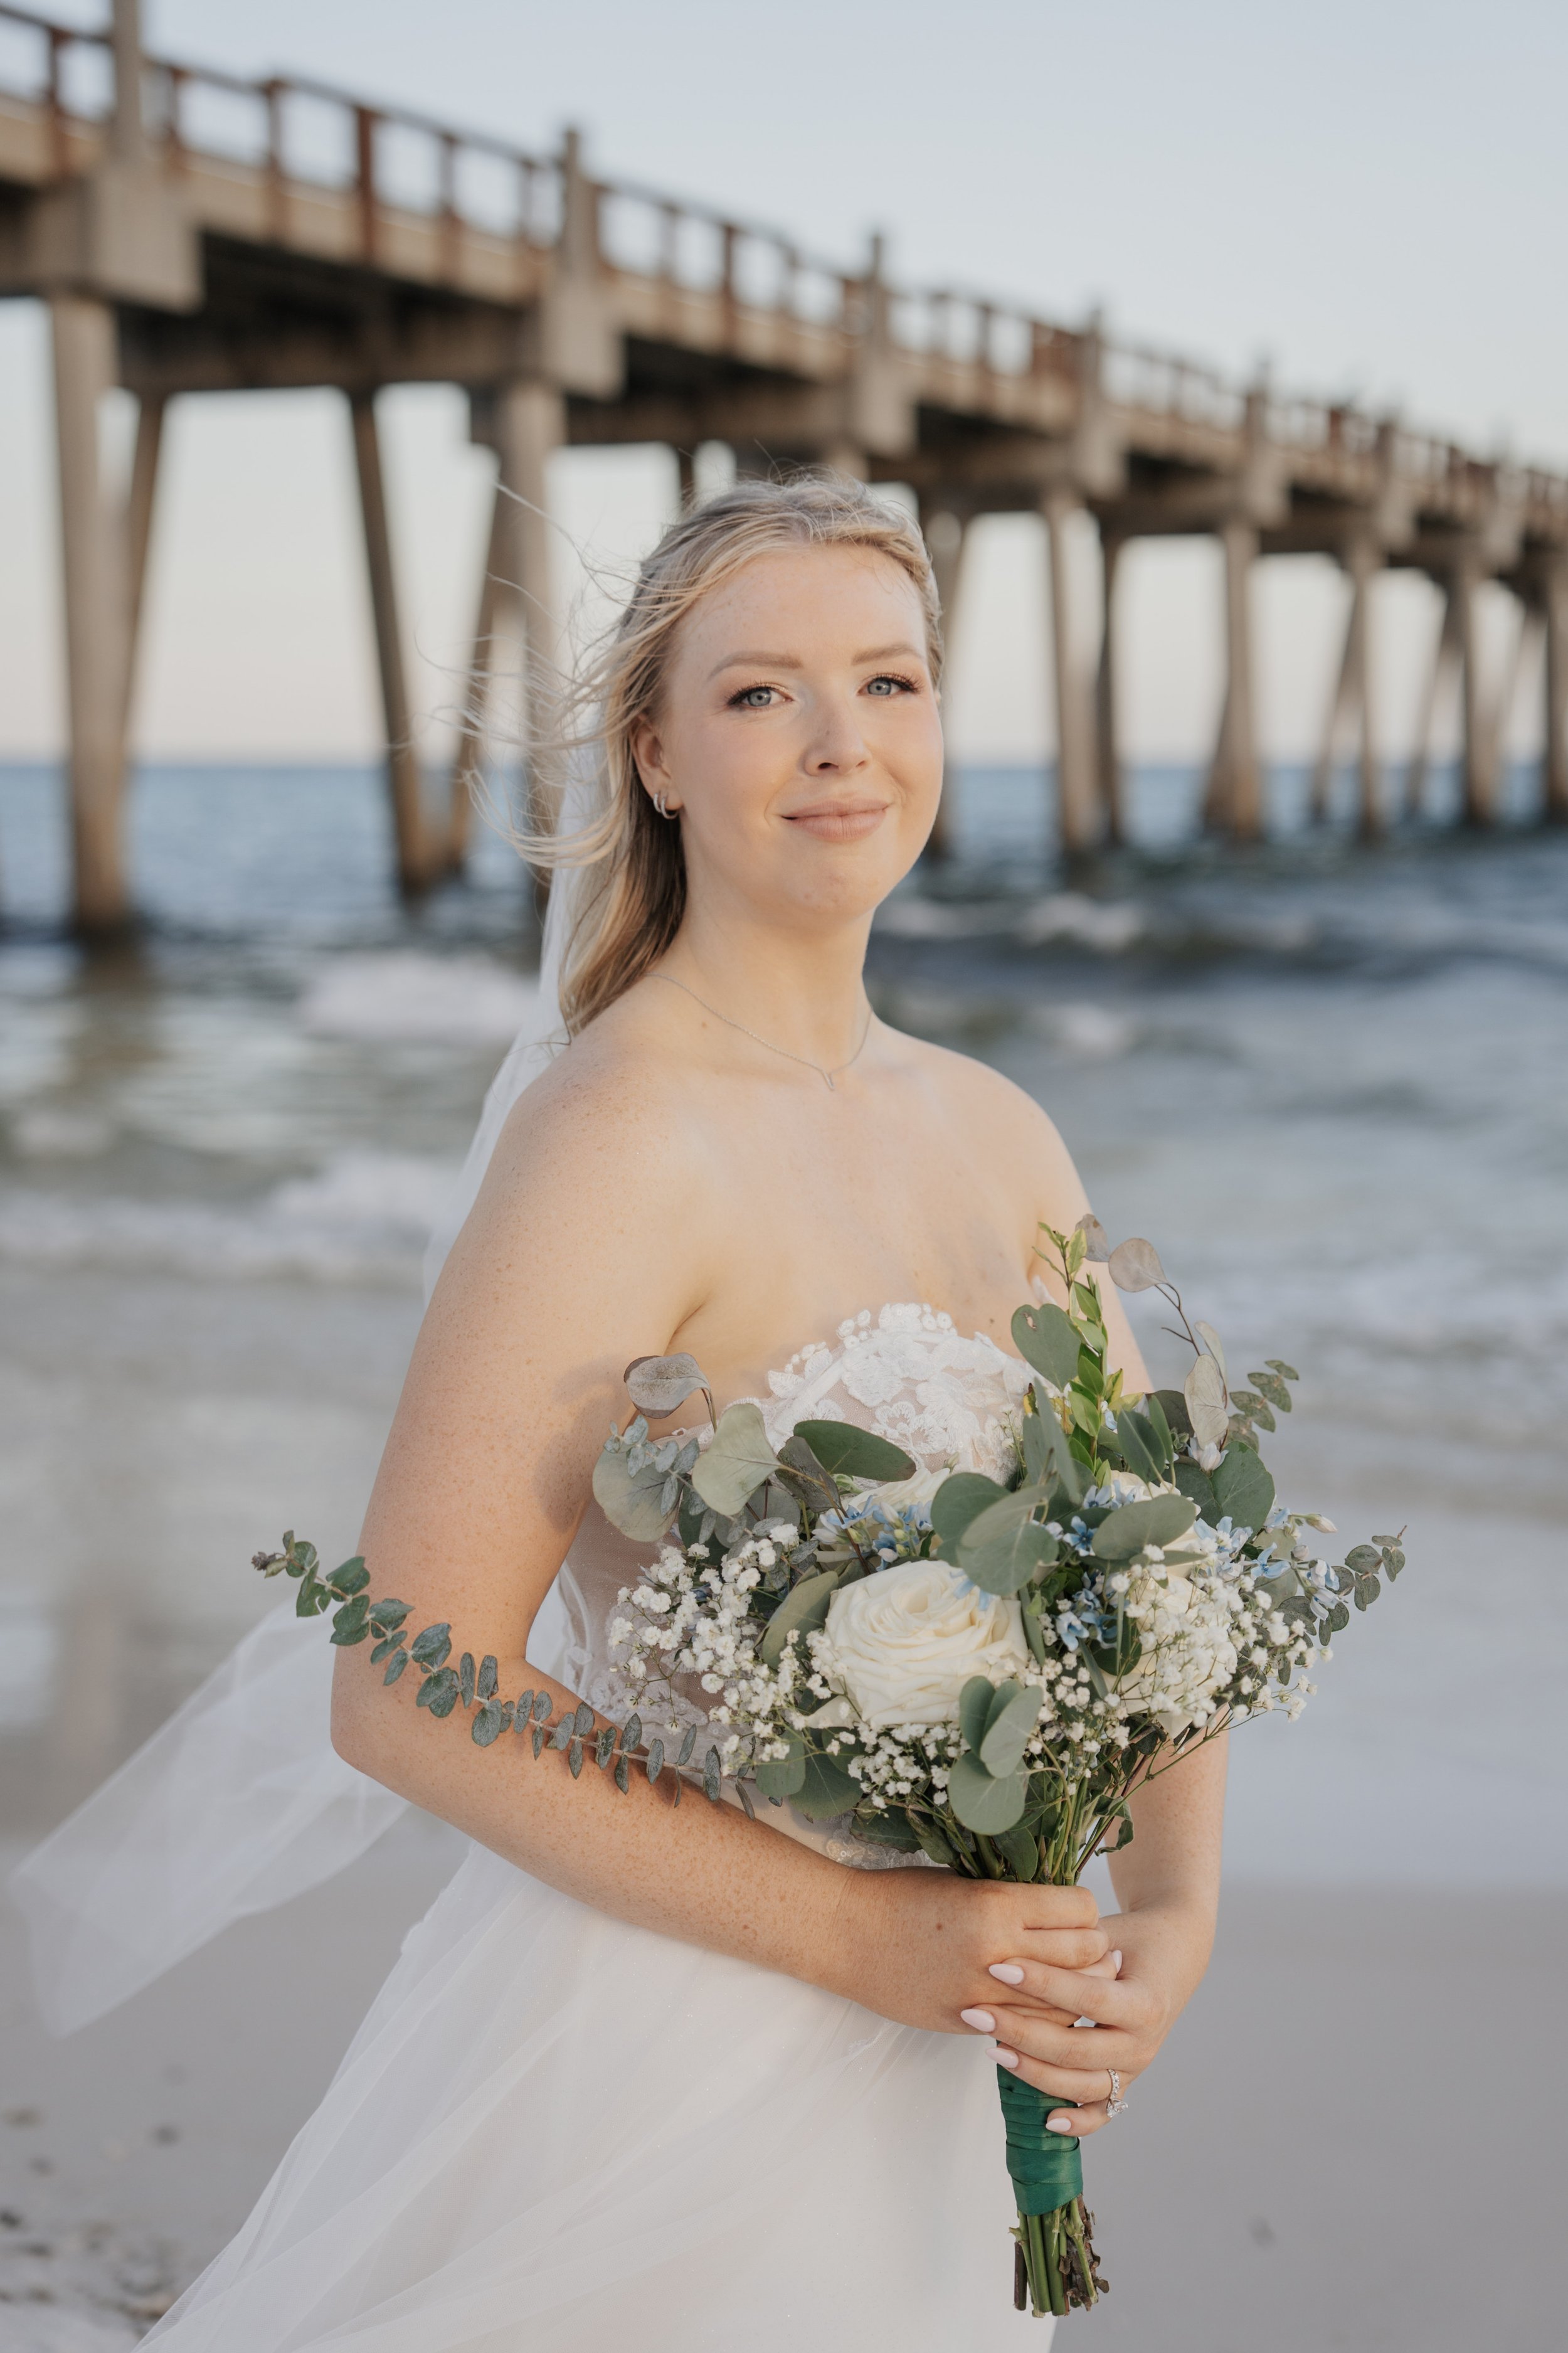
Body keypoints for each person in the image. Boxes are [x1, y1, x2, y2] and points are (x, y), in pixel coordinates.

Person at [29, 477, 1226, 2349]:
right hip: (679, 2052)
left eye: (889, 682)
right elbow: (403, 1681)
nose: (844, 747)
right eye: (761, 698)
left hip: (949, 2049)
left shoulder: (1002, 1130)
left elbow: (1141, 1592)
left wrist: (1169, 1915)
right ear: (654, 753)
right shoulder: (615, 1139)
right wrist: (864, 1938)